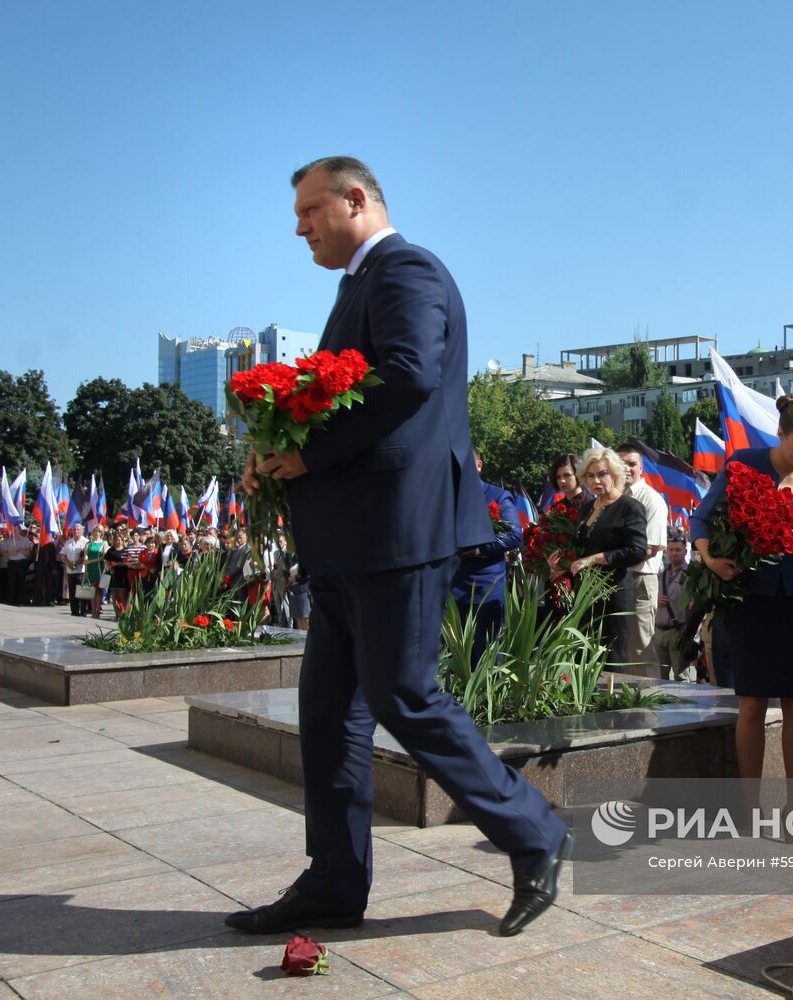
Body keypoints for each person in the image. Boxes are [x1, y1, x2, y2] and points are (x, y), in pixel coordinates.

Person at [227, 156, 569, 938]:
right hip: (352, 537)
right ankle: (334, 882)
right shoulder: (357, 285)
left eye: (311, 209)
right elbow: (346, 395)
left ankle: (537, 832)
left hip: (400, 530)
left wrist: (311, 454)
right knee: (329, 713)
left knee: (405, 695)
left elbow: (411, 375)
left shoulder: (405, 267)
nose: (300, 226)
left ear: (356, 199)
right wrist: (280, 444)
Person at [690, 396, 793, 784]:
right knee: (752, 702)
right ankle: (751, 806)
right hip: (749, 597)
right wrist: (711, 559)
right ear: (780, 434)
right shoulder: (744, 463)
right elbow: (700, 519)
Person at [553, 447, 648, 669]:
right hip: (585, 591)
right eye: (590, 475)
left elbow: (637, 550)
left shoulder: (629, 507)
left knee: (612, 657)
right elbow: (583, 548)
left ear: (615, 474)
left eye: (602, 474)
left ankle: (613, 703)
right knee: (583, 655)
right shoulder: (588, 506)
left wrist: (596, 559)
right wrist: (563, 565)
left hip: (613, 592)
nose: (596, 480)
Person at [451, 449, 523, 663]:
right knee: (455, 657)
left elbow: (514, 533)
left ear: (479, 466)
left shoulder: (497, 496)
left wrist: (480, 549)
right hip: (452, 586)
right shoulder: (444, 497)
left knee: (487, 657)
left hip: (486, 587)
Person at [615, 441, 668, 676]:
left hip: (640, 580)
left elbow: (650, 548)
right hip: (616, 579)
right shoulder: (614, 499)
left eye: (632, 464)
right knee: (621, 649)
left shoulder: (651, 500)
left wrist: (607, 557)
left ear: (641, 468)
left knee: (641, 650)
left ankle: (649, 709)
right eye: (620, 463)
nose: (626, 468)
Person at [652, 531, 694, 682]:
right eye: (670, 550)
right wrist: (655, 601)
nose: (674, 553)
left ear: (685, 551)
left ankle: (683, 706)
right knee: (659, 676)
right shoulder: (660, 575)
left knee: (681, 678)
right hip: (659, 632)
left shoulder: (691, 574)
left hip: (678, 631)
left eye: (677, 549)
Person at [61, 524, 90, 616]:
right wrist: (68, 563)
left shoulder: (86, 542)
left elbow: (85, 555)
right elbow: (62, 555)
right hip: (70, 570)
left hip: (81, 570)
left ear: (82, 531)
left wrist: (76, 562)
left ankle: (83, 611)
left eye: (78, 530)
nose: (76, 531)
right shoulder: (68, 542)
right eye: (74, 530)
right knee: (72, 592)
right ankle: (74, 611)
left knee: (81, 591)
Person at [83, 526, 108, 619]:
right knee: (91, 590)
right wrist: (85, 569)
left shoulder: (103, 543)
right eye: (95, 531)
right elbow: (85, 557)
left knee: (98, 590)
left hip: (99, 568)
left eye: (98, 531)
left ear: (101, 533)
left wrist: (91, 561)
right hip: (90, 569)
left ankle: (97, 610)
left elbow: (104, 556)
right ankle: (93, 610)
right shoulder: (88, 544)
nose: (96, 533)